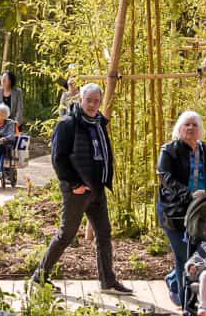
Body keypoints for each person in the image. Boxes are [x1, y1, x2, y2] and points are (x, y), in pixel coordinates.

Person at [31, 83, 132, 295]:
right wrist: (74, 184)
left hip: (97, 188)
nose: (93, 105)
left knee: (104, 234)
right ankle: (40, 276)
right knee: (66, 234)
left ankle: (108, 281)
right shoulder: (68, 124)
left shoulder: (99, 123)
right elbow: (58, 158)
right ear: (80, 100)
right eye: (89, 100)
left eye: (97, 101)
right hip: (77, 190)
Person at [156, 110, 206, 306]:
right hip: (174, 211)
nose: (190, 128)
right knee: (183, 255)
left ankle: (173, 280)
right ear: (179, 129)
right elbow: (166, 178)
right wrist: (188, 194)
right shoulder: (169, 150)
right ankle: (184, 300)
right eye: (186, 124)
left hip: (202, 209)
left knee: (198, 253)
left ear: (200, 130)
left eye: (194, 125)